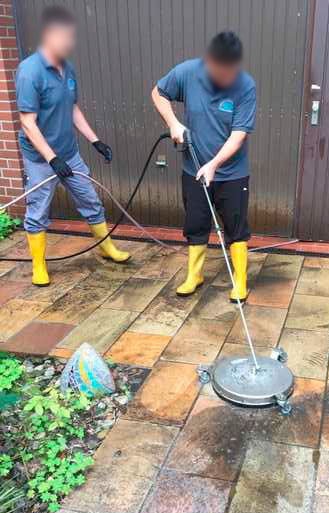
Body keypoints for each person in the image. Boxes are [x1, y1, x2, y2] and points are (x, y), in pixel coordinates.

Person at [16, 5, 129, 287]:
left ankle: (106, 248)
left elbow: (73, 108)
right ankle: (39, 267)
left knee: (90, 199)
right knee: (38, 209)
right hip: (41, 160)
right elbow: (28, 123)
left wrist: (96, 140)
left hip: (69, 153)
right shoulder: (30, 72)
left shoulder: (67, 68)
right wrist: (52, 159)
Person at [152, 31, 256, 302]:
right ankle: (194, 275)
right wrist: (173, 123)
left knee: (235, 227)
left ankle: (240, 282)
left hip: (232, 173)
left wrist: (214, 164)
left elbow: (239, 134)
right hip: (193, 168)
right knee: (196, 221)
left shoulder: (245, 86)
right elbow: (158, 92)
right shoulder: (187, 72)